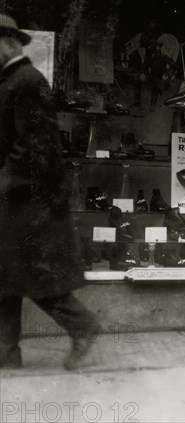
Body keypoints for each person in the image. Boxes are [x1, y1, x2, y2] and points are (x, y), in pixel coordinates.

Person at [0, 14, 101, 370]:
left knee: (34, 276)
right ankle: (6, 353)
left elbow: (36, 145)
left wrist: (7, 178)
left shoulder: (27, 81)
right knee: (8, 276)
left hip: (30, 199)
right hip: (17, 197)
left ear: (10, 42)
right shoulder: (11, 81)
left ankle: (83, 326)